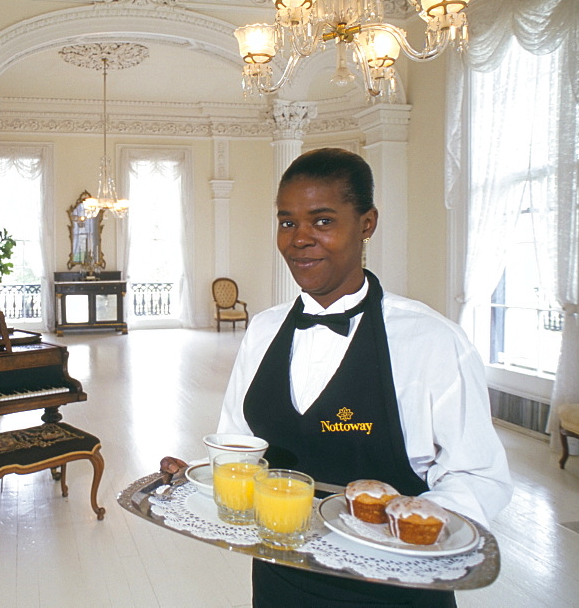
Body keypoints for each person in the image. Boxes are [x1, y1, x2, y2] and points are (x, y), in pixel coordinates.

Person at [162, 148, 513, 607]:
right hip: (278, 579)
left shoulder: (431, 340)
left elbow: (478, 475)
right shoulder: (264, 330)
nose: (298, 239)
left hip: (394, 590)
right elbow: (240, 445)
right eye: (287, 222)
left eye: (322, 221)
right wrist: (203, 479)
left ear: (366, 224)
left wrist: (401, 536)